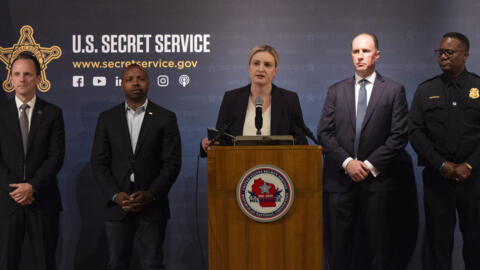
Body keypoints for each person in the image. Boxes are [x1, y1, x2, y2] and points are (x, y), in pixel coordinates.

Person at [317, 33, 417, 270]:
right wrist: (348, 162)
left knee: (379, 251)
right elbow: (324, 133)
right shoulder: (335, 90)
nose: (360, 56)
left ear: (377, 55)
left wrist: (368, 166)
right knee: (339, 251)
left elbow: (399, 135)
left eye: (365, 51)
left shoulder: (394, 90)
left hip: (378, 185)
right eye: (355, 51)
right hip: (340, 184)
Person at [91, 64, 181, 270]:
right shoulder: (107, 118)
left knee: (152, 264)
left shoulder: (166, 118)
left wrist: (150, 194)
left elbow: (172, 163)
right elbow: (99, 162)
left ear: (148, 83)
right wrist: (115, 195)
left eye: (140, 78)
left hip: (152, 205)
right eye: (129, 79)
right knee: (116, 264)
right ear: (122, 84)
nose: (135, 83)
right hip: (117, 206)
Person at [409, 32, 480, 270]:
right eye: (440, 52)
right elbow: (415, 132)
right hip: (438, 179)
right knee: (438, 242)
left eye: (449, 52)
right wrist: (441, 164)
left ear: (465, 54)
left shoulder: (478, 87)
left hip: (474, 179)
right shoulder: (426, 89)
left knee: (475, 240)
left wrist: (469, 165)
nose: (443, 56)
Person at [0, 51, 65, 270]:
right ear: (10, 79)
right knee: (7, 263)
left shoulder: (53, 113)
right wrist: (17, 190)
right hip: (8, 202)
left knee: (46, 263)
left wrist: (32, 186)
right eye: (16, 74)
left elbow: (56, 156)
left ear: (38, 78)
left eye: (27, 74)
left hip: (43, 201)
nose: (21, 79)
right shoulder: (1, 113)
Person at [201, 44, 307, 153]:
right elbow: (221, 140)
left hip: (277, 168)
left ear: (275, 71)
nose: (261, 69)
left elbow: (301, 142)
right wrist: (209, 144)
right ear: (249, 68)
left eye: (267, 65)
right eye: (256, 63)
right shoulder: (232, 99)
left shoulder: (289, 100)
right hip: (238, 167)